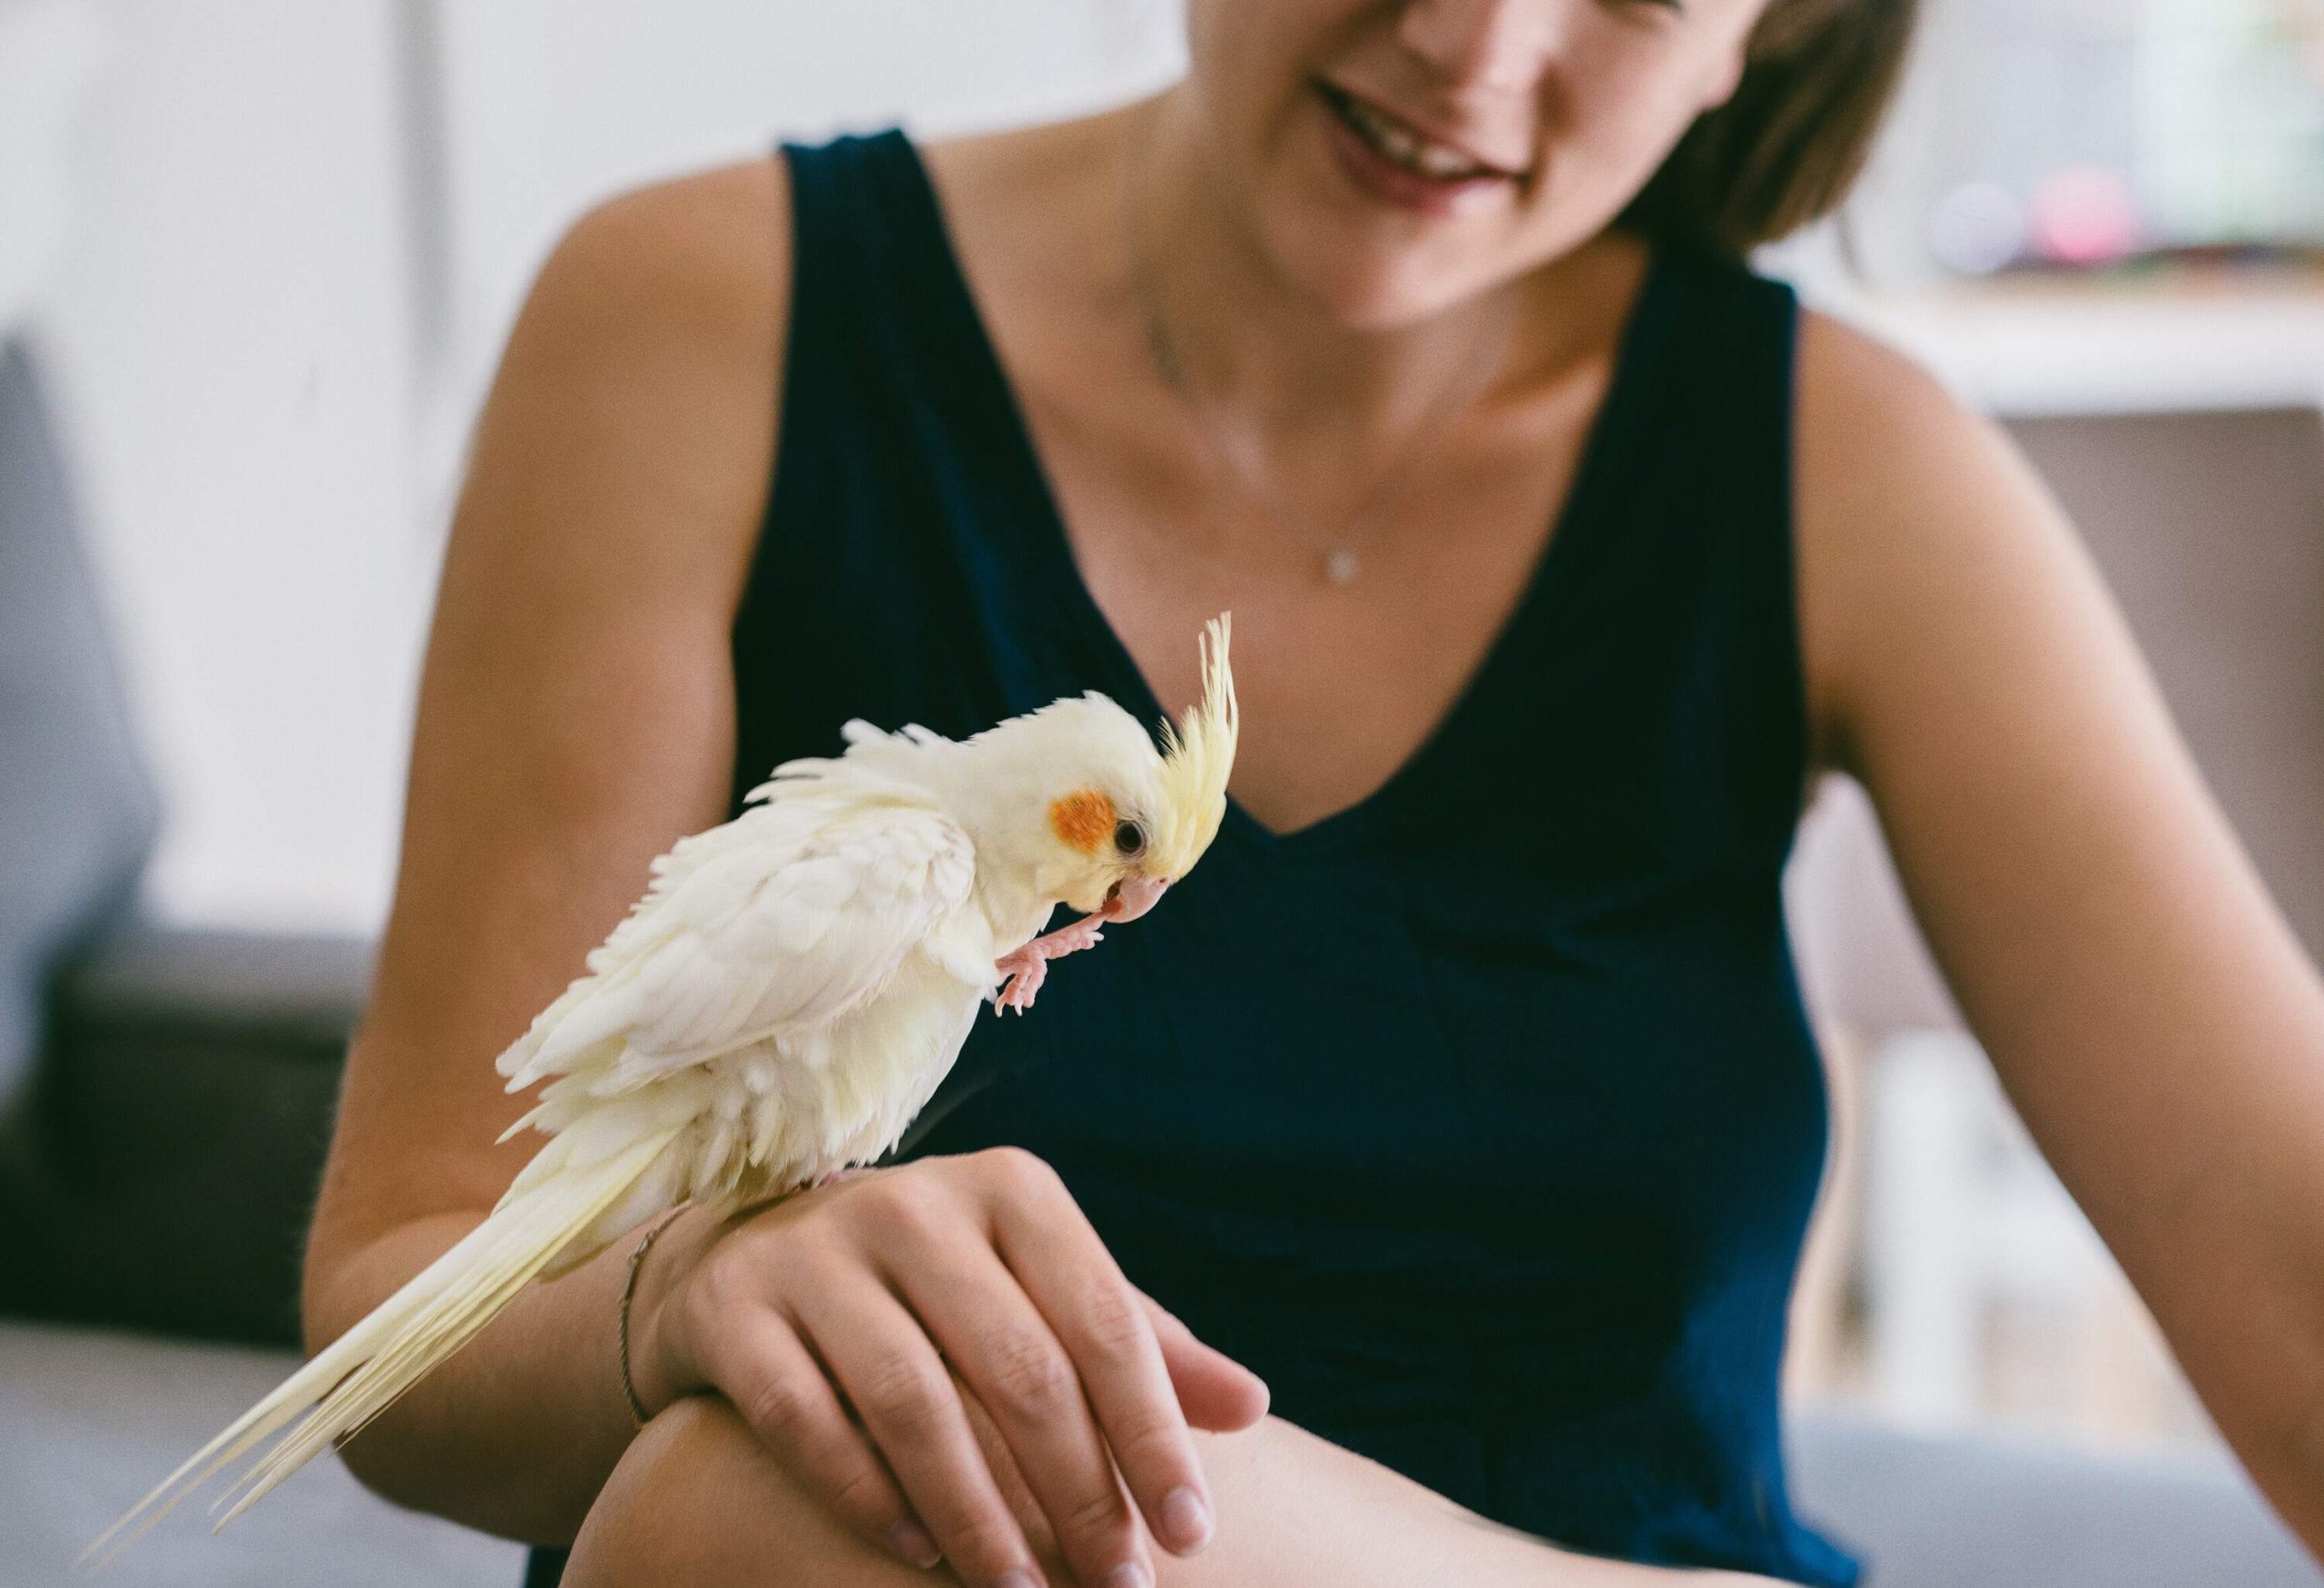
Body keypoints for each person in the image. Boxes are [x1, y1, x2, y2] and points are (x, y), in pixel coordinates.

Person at [299, 0, 2324, 1584]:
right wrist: (690, 1295)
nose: (1471, 49)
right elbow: (407, 1293)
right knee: (766, 1512)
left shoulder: (1852, 476)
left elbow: (2283, 1253)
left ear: (1763, 32)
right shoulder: (691, 320)